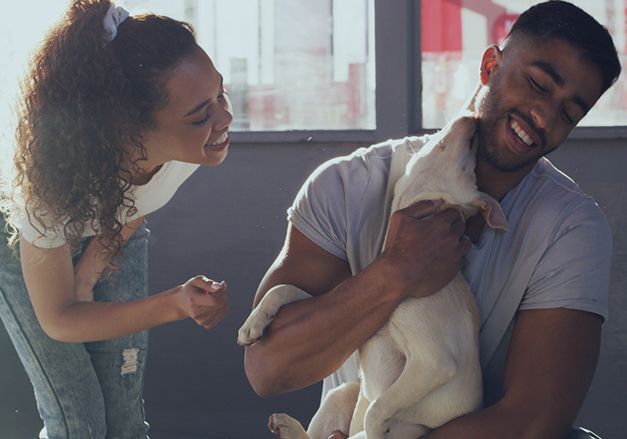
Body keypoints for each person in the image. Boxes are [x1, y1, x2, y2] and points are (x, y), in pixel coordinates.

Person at [243, 1, 621, 438]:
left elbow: (532, 422)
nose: (544, 116)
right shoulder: (347, 186)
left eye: (570, 113)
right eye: (537, 84)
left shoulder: (570, 228)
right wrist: (397, 270)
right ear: (490, 66)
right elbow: (268, 370)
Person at [0, 1, 232, 437]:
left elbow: (137, 202)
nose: (224, 118)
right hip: (23, 241)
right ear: (129, 130)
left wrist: (90, 272)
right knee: (80, 420)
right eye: (202, 114)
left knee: (124, 419)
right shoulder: (45, 191)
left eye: (221, 94)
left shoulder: (192, 148)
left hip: (109, 226)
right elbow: (59, 318)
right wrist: (176, 303)